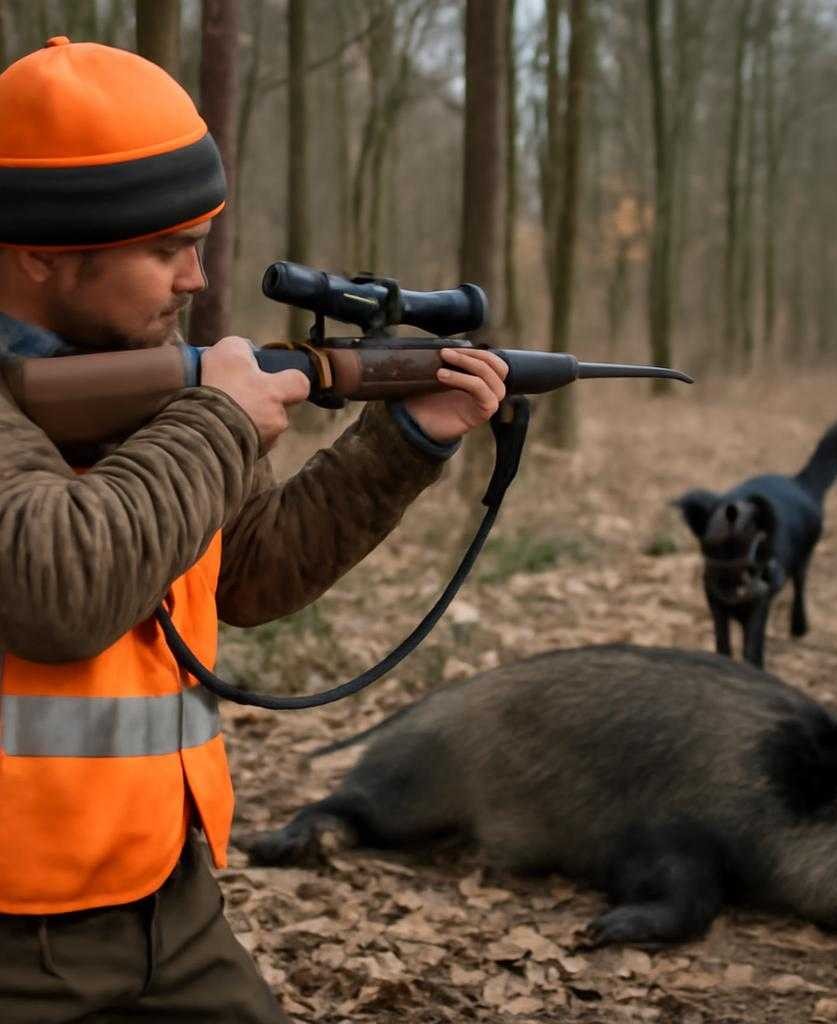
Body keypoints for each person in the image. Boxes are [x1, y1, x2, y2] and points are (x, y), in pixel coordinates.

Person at [0, 37, 507, 1023]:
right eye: (164, 249)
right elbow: (55, 590)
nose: (196, 276)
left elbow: (252, 572)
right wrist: (222, 419)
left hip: (168, 897)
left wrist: (405, 436)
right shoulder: (170, 401)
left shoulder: (146, 364)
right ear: (42, 255)